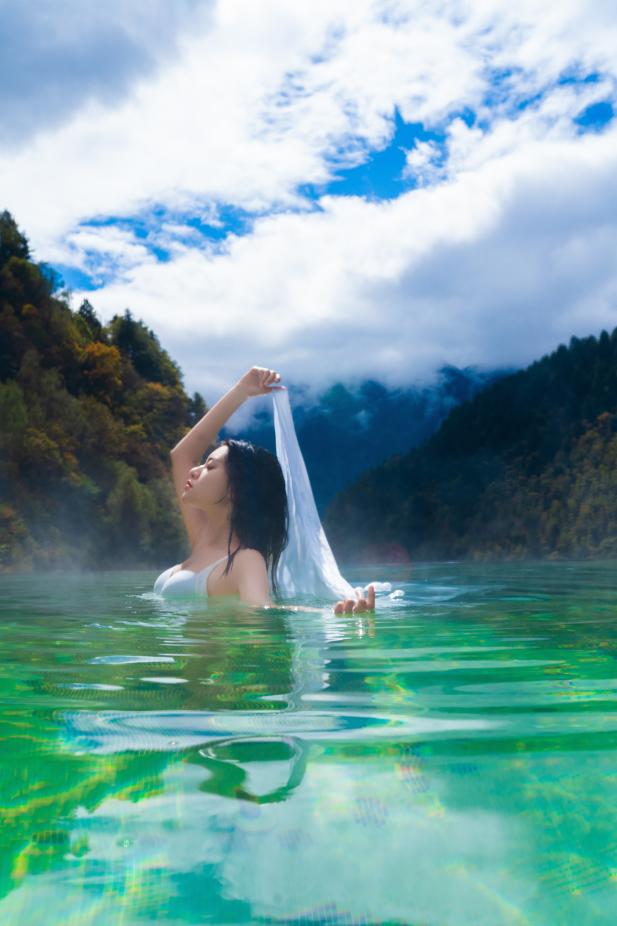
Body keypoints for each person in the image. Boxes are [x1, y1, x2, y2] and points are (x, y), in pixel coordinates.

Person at [154, 365, 375, 614]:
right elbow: (182, 454)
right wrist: (241, 391)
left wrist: (334, 613)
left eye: (210, 466)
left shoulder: (245, 560)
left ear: (235, 490)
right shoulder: (203, 540)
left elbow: (263, 611)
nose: (195, 470)